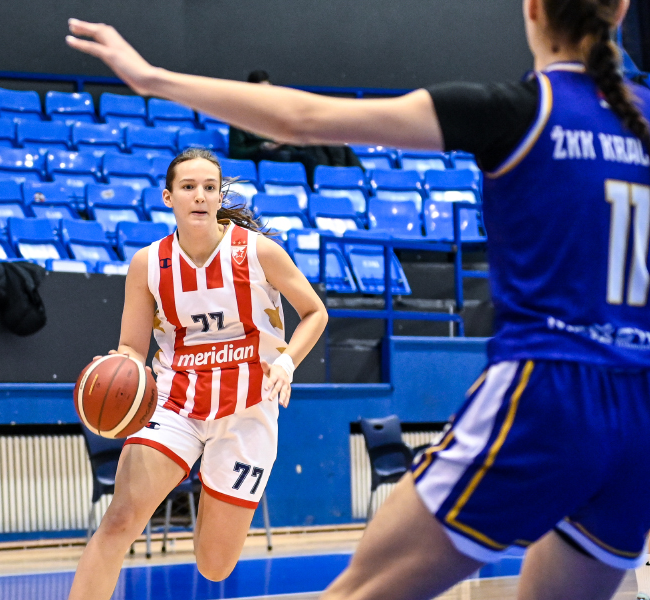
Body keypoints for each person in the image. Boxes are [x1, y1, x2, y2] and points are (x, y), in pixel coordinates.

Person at [66, 0, 650, 597]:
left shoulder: (521, 111)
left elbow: (301, 119)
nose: (200, 195)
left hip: (549, 391)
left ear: (533, 9)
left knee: (349, 587)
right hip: (639, 408)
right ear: (621, 9)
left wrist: (152, 79)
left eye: (209, 186)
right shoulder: (643, 116)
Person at [66, 148, 327, 599]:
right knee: (120, 521)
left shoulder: (258, 252)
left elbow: (315, 312)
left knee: (214, 566)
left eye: (209, 187)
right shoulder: (149, 263)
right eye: (188, 187)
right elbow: (133, 346)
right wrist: (120, 366)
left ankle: (214, 479)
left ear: (219, 196)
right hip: (174, 402)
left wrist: (287, 362)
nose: (200, 196)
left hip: (247, 408)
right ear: (169, 197)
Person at [228, 70, 362, 186]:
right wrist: (262, 147)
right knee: (302, 157)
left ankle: (345, 176)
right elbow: (236, 152)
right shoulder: (239, 119)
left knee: (327, 140)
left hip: (286, 148)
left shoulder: (275, 114)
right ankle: (319, 186)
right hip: (264, 155)